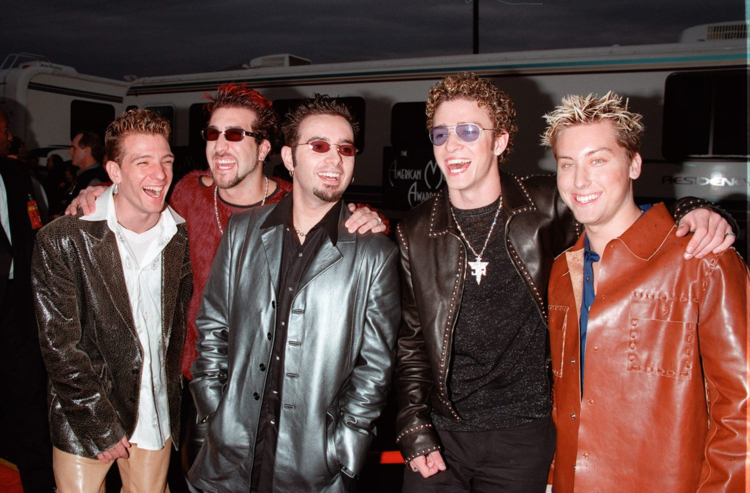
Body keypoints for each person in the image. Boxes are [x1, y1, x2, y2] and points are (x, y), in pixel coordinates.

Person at [393, 73, 737, 493]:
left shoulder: (547, 205)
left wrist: (696, 209)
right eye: (440, 134)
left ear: (500, 141)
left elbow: (620, 211)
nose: (451, 145)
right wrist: (413, 424)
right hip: (443, 436)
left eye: (467, 131)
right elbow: (412, 341)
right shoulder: (415, 230)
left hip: (527, 436)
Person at [66, 83, 386, 471]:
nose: (220, 146)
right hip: (198, 385)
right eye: (213, 134)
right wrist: (101, 191)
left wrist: (369, 217)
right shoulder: (187, 194)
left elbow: (333, 211)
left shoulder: (290, 204)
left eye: (235, 135)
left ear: (265, 149)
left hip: (280, 396)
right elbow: (139, 197)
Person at [188, 95, 400, 492]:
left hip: (313, 467)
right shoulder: (243, 231)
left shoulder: (375, 254)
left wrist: (343, 446)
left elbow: (375, 369)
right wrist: (215, 410)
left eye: (345, 149)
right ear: (289, 157)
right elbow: (213, 327)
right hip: (229, 457)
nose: (334, 159)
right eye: (319, 146)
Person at [542, 92, 747, 493]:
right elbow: (565, 402)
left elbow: (742, 409)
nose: (580, 180)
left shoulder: (702, 259)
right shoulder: (562, 271)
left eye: (598, 160)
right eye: (567, 164)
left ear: (634, 165)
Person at [32, 109, 192, 492]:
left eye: (166, 161)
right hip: (86, 411)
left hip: (154, 410)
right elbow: (59, 346)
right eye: (143, 162)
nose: (159, 174)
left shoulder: (182, 238)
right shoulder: (63, 239)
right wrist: (97, 422)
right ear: (114, 172)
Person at [0, 108, 56, 492]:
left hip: (17, 313)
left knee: (27, 407)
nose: (9, 137)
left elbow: (36, 236)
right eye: (4, 129)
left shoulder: (19, 178)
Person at [67, 130, 109, 199]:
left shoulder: (94, 181)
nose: (70, 152)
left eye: (74, 148)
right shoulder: (82, 176)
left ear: (87, 150)